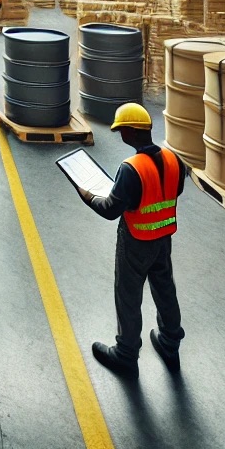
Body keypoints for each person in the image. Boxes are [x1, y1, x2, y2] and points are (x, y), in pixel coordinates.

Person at [74, 102, 185, 378]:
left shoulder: (130, 169)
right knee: (164, 288)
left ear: (129, 132)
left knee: (128, 294)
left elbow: (111, 210)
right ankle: (170, 343)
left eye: (121, 130)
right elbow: (174, 190)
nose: (119, 134)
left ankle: (125, 354)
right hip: (163, 236)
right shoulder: (174, 159)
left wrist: (87, 195)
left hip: (136, 239)